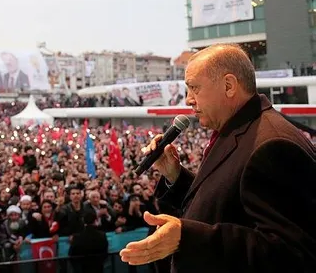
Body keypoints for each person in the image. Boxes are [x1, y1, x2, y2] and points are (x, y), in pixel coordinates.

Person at [119, 43, 316, 272]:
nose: (188, 99)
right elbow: (226, 204)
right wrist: (175, 176)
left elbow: (291, 254)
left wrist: (188, 237)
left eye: (194, 88)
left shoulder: (272, 145)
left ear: (229, 86)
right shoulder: (240, 129)